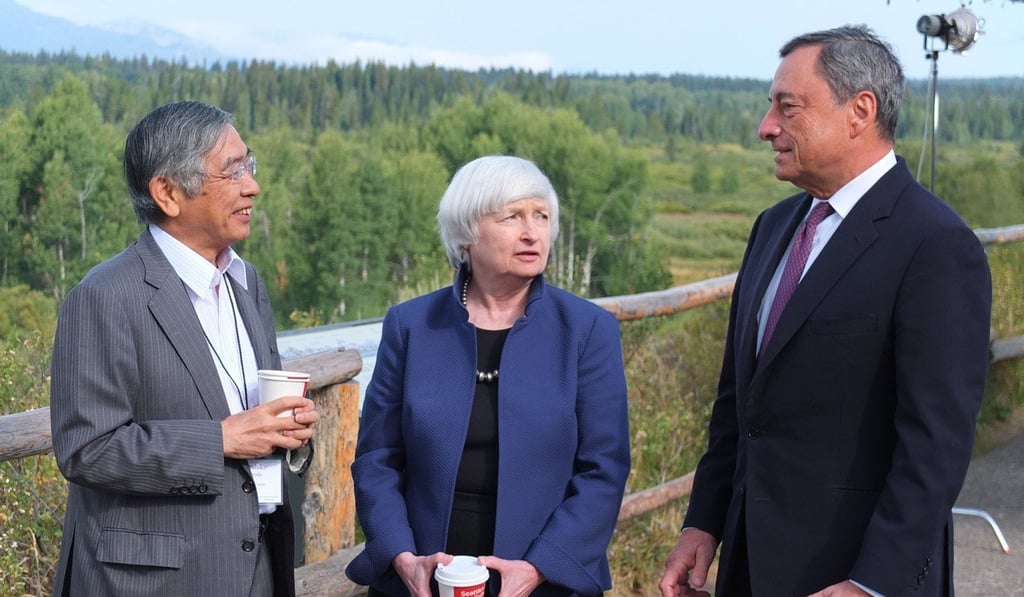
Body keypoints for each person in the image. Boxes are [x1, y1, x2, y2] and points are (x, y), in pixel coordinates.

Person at [659, 25, 991, 597]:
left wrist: (871, 583)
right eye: (771, 108)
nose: (767, 127)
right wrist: (703, 521)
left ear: (859, 111)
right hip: (748, 566)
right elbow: (739, 405)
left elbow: (935, 446)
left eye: (787, 108)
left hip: (853, 574)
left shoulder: (935, 245)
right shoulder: (772, 228)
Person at [49, 100, 318, 597]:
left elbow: (255, 419)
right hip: (154, 581)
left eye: (249, 165)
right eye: (233, 171)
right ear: (168, 192)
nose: (253, 186)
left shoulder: (245, 282)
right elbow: (86, 450)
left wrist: (290, 429)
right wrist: (220, 440)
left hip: (258, 566)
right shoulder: (105, 297)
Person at [344, 155, 631, 596]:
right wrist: (403, 557)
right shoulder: (411, 325)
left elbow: (603, 470)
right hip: (422, 579)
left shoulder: (588, 330)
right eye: (512, 216)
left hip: (543, 579)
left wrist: (538, 568)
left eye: (542, 216)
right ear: (466, 233)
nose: (533, 231)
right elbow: (377, 459)